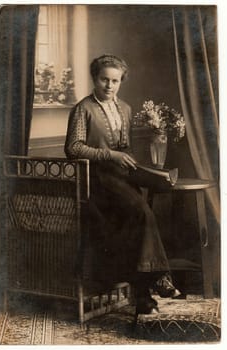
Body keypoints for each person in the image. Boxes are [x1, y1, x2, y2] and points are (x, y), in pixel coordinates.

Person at [64, 54, 180, 314]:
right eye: (104, 79)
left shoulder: (125, 109)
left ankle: (143, 297)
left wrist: (142, 169)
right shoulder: (83, 109)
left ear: (121, 82)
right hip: (95, 182)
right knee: (141, 212)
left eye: (115, 81)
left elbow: (125, 149)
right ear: (95, 79)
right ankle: (158, 279)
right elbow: (72, 148)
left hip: (121, 179)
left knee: (144, 212)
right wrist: (111, 155)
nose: (109, 85)